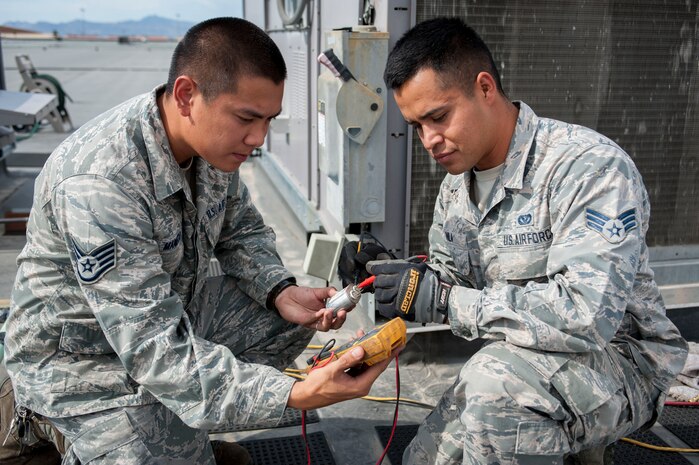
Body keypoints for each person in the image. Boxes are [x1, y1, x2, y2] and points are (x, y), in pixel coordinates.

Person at [3, 17, 393, 465]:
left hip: (157, 322)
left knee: (287, 319)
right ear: (188, 95)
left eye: (268, 120)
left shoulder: (208, 147)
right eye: (247, 118)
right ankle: (53, 426)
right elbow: (154, 349)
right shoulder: (101, 182)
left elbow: (241, 227)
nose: (258, 138)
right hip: (82, 364)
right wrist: (297, 394)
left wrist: (280, 291)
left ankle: (175, 423)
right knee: (159, 449)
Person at [341, 17, 689, 465]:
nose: (429, 140)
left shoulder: (587, 168)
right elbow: (452, 276)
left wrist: (444, 301)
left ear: (485, 88)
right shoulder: (456, 185)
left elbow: (586, 315)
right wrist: (395, 275)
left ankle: (579, 444)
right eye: (415, 126)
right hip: (526, 360)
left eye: (438, 117)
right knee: (424, 459)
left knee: (494, 390)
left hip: (623, 362)